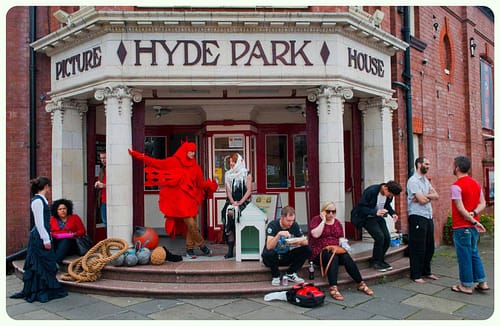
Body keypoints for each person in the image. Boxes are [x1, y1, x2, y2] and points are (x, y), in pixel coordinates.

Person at [129, 141, 217, 259]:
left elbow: (200, 183)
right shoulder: (174, 162)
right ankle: (202, 246)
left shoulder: (195, 167)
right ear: (185, 151)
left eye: (194, 152)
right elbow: (157, 163)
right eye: (191, 151)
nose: (193, 154)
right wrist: (140, 156)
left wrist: (210, 185)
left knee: (192, 226)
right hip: (180, 202)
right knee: (191, 223)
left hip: (191, 200)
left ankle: (189, 249)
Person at [10, 177, 68, 303]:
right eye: (49, 187)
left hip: (42, 235)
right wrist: (46, 239)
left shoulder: (42, 200)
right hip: (40, 237)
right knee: (39, 263)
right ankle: (38, 290)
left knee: (41, 263)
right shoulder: (37, 201)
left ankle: (40, 288)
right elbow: (39, 223)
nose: (49, 189)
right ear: (46, 186)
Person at [309, 201, 374, 300]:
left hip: (335, 248)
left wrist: (345, 246)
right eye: (328, 211)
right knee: (333, 256)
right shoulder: (316, 220)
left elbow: (341, 238)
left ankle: (360, 282)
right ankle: (333, 287)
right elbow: (315, 234)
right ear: (323, 211)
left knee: (346, 256)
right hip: (320, 251)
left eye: (333, 212)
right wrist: (323, 221)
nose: (331, 214)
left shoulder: (337, 222)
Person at [450, 156, 489, 294]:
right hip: (473, 228)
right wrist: (474, 213)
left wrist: (473, 220)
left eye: (453, 165)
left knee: (464, 256)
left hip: (462, 227)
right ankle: (482, 282)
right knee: (474, 253)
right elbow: (482, 203)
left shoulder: (456, 186)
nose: (452, 167)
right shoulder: (476, 184)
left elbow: (460, 209)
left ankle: (466, 286)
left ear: (458, 168)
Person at [351, 180, 402, 272]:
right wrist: (375, 212)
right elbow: (361, 207)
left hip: (378, 217)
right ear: (385, 188)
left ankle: (380, 259)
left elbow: (387, 206)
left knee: (387, 238)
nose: (390, 197)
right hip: (367, 218)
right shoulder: (371, 191)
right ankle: (376, 261)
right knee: (379, 237)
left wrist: (393, 213)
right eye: (390, 194)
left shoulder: (389, 196)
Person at [406, 157, 440, 283]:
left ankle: (427, 271)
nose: (428, 166)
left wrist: (424, 196)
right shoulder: (413, 181)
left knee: (429, 246)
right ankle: (416, 275)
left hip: (428, 215)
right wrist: (424, 197)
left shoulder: (425, 180)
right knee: (417, 246)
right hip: (417, 216)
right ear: (419, 164)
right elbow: (422, 201)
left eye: (429, 164)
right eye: (426, 164)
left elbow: (436, 195)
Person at [261, 206, 311, 286]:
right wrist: (278, 235)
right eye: (288, 221)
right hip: (272, 258)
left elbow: (305, 242)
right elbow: (269, 246)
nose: (290, 223)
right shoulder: (273, 225)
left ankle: (291, 273)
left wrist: (298, 242)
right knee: (269, 253)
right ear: (281, 217)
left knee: (307, 249)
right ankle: (276, 276)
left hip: (286, 256)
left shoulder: (294, 225)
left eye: (292, 220)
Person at [220, 153, 252, 259]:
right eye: (230, 163)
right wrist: (233, 202)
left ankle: (243, 248)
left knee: (239, 219)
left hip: (244, 202)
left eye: (233, 162)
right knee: (228, 215)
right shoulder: (228, 174)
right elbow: (228, 191)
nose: (232, 165)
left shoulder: (246, 173)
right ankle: (230, 250)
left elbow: (248, 191)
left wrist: (240, 202)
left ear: (239, 162)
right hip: (231, 202)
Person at [50, 198, 87, 264]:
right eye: (60, 209)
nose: (62, 211)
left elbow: (82, 231)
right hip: (56, 243)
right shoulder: (52, 220)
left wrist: (73, 234)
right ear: (56, 211)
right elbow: (49, 232)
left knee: (66, 240)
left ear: (68, 209)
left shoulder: (75, 217)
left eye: (64, 208)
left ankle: (55, 263)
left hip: (71, 244)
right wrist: (55, 235)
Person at [94, 152, 107, 227]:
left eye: (104, 158)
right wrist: (97, 183)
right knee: (105, 222)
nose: (103, 160)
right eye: (101, 158)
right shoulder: (102, 169)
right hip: (102, 199)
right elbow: (100, 181)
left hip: (112, 199)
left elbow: (119, 184)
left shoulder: (114, 169)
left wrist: (104, 185)